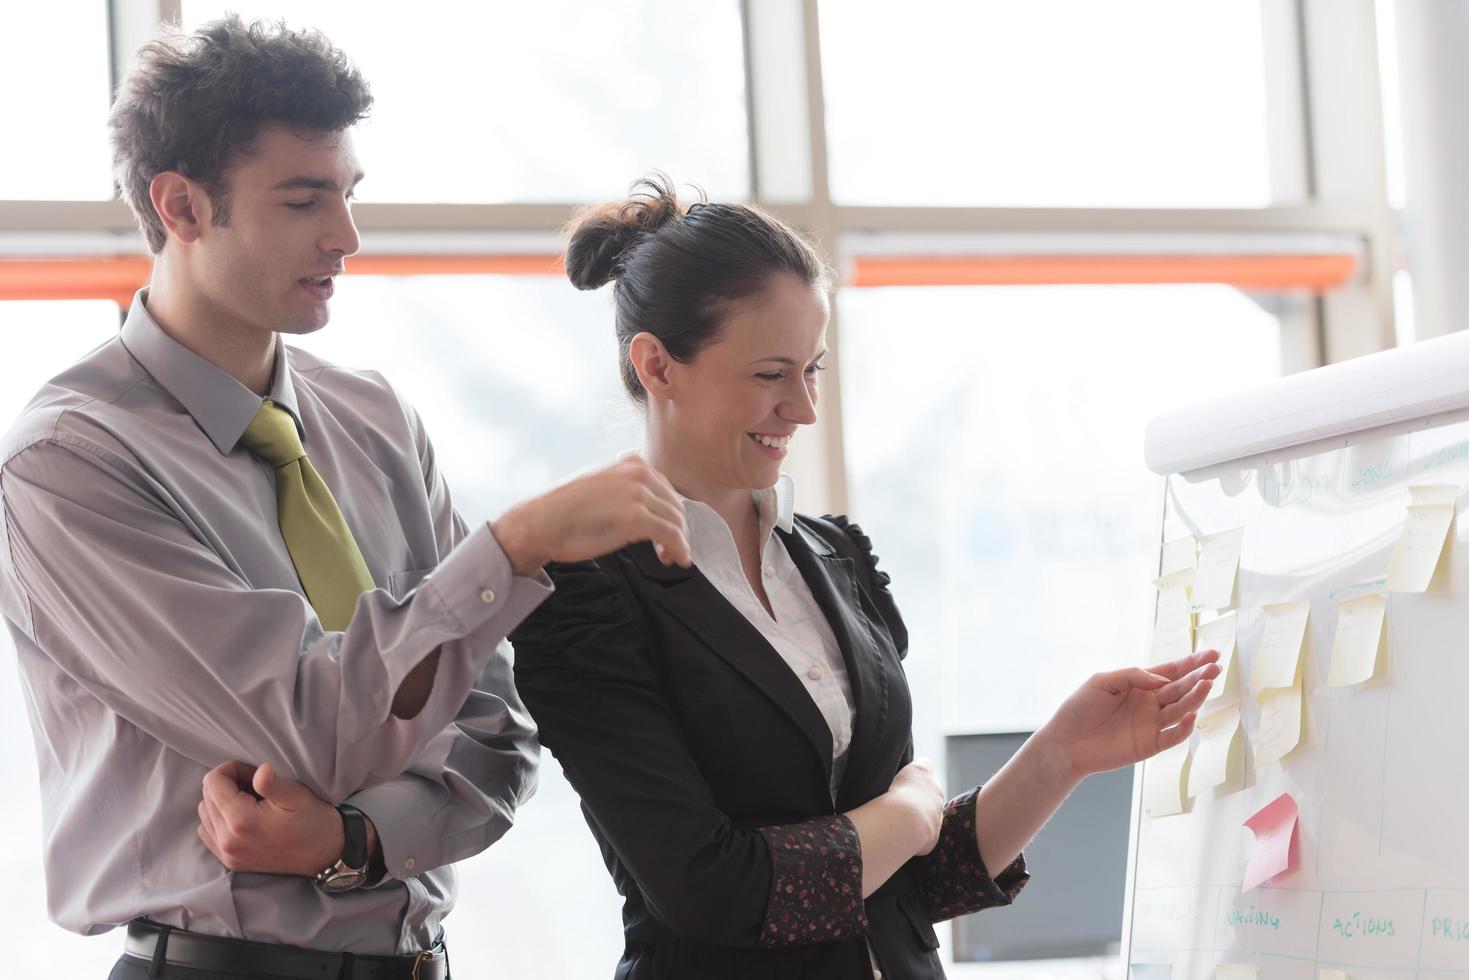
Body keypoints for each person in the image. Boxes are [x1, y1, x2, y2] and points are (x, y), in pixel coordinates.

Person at [0, 20, 690, 980]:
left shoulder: (375, 420)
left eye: (348, 194)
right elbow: (307, 727)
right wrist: (517, 544)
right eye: (302, 199)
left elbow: (497, 736)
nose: (347, 236)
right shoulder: (68, 465)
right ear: (182, 206)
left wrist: (353, 839)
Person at [504, 176, 1222, 980]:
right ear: (657, 367)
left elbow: (900, 886)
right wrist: (906, 813)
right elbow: (711, 891)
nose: (803, 409)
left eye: (812, 370)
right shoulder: (585, 597)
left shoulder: (836, 558)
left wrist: (1059, 755)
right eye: (770, 375)